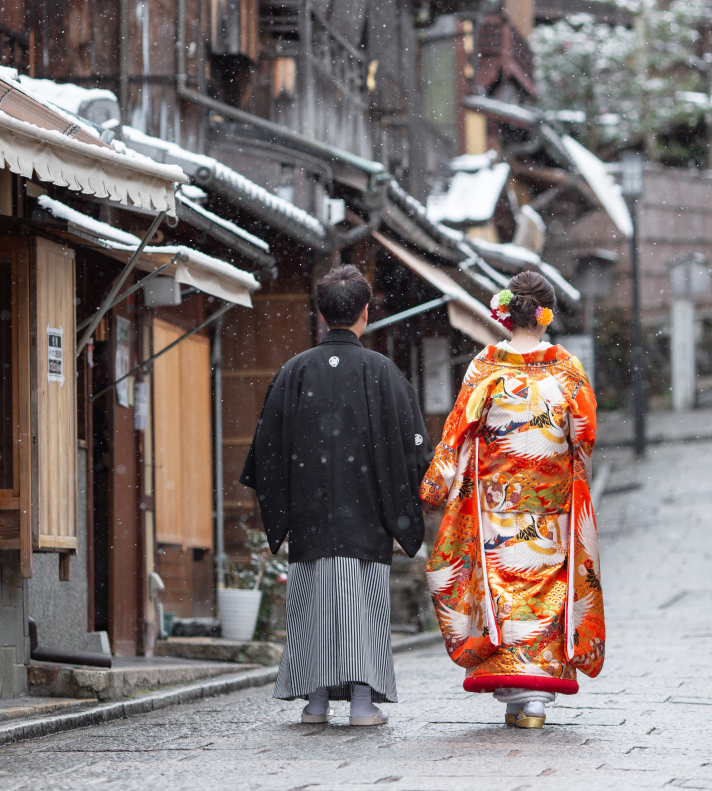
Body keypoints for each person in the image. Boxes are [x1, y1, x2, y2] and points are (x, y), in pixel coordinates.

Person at [240, 264, 431, 726]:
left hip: (309, 521)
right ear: (365, 312)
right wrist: (403, 503)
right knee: (363, 612)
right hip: (367, 521)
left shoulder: (293, 372)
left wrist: (286, 506)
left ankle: (316, 702)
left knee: (312, 610)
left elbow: (266, 452)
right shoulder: (384, 373)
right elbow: (414, 451)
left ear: (321, 314)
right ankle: (363, 706)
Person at [420, 270, 605, 730]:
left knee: (503, 592)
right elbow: (585, 436)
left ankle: (514, 688)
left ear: (508, 312)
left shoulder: (485, 365)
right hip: (552, 506)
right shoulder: (567, 369)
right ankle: (536, 693)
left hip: (496, 505)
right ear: (547, 314)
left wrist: (436, 485)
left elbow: (457, 431)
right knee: (545, 591)